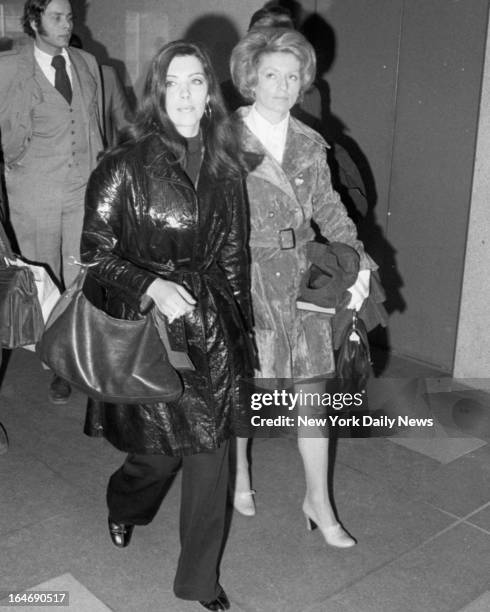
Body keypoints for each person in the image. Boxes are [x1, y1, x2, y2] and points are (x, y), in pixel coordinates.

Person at [81, 41, 253, 611]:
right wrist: (151, 285)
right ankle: (125, 505)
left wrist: (242, 332)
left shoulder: (227, 168)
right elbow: (93, 254)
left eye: (196, 82)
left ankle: (198, 582)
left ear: (210, 94)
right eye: (173, 83)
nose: (185, 94)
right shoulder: (122, 166)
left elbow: (233, 257)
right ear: (158, 94)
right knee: (157, 453)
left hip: (211, 330)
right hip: (151, 328)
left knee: (210, 454)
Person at [230, 28, 376, 545]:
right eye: (272, 74)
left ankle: (318, 500)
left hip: (304, 276)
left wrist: (355, 257)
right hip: (245, 275)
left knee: (314, 387)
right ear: (251, 78)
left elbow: (331, 208)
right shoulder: (225, 139)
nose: (283, 85)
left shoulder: (310, 141)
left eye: (293, 76)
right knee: (249, 386)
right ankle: (240, 471)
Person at [0, 0, 104, 404]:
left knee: (82, 271)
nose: (67, 24)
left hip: (82, 185)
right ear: (34, 21)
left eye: (70, 17)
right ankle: (54, 363)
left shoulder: (86, 62)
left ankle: (78, 353)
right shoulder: (8, 67)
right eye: (57, 17)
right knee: (42, 276)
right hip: (34, 188)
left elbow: (95, 125)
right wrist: (15, 160)